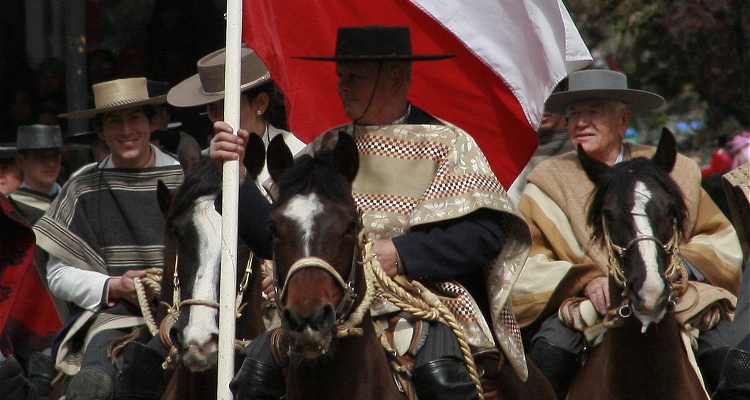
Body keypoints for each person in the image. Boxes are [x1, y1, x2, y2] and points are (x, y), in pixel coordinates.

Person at [211, 26, 532, 400]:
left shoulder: (450, 144)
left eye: (356, 77)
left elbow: (484, 236)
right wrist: (234, 177)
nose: (343, 85)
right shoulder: (325, 148)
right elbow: (276, 236)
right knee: (253, 376)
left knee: (439, 377)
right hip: (324, 296)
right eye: (341, 76)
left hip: (423, 298)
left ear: (396, 77)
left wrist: (401, 253)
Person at [510, 69, 743, 399]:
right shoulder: (549, 181)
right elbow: (524, 259)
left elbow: (718, 238)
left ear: (622, 120)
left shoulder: (675, 169)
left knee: (731, 358)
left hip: (679, 294)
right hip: (586, 304)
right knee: (550, 352)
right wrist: (587, 279)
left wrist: (677, 269)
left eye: (594, 111)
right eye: (574, 113)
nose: (580, 122)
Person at [33, 77, 184, 399]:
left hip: (186, 314)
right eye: (115, 121)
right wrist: (114, 286)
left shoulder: (185, 179)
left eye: (135, 118)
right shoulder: (83, 186)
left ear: (153, 122)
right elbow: (58, 276)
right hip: (113, 317)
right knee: (92, 386)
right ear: (100, 131)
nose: (126, 131)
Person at [168, 43, 306, 187]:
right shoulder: (201, 164)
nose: (217, 119)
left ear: (260, 103)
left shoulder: (297, 153)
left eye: (228, 106)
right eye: (211, 107)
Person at [507, 79, 572, 204]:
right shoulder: (510, 153)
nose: (542, 103)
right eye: (531, 95)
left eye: (549, 93)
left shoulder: (581, 148)